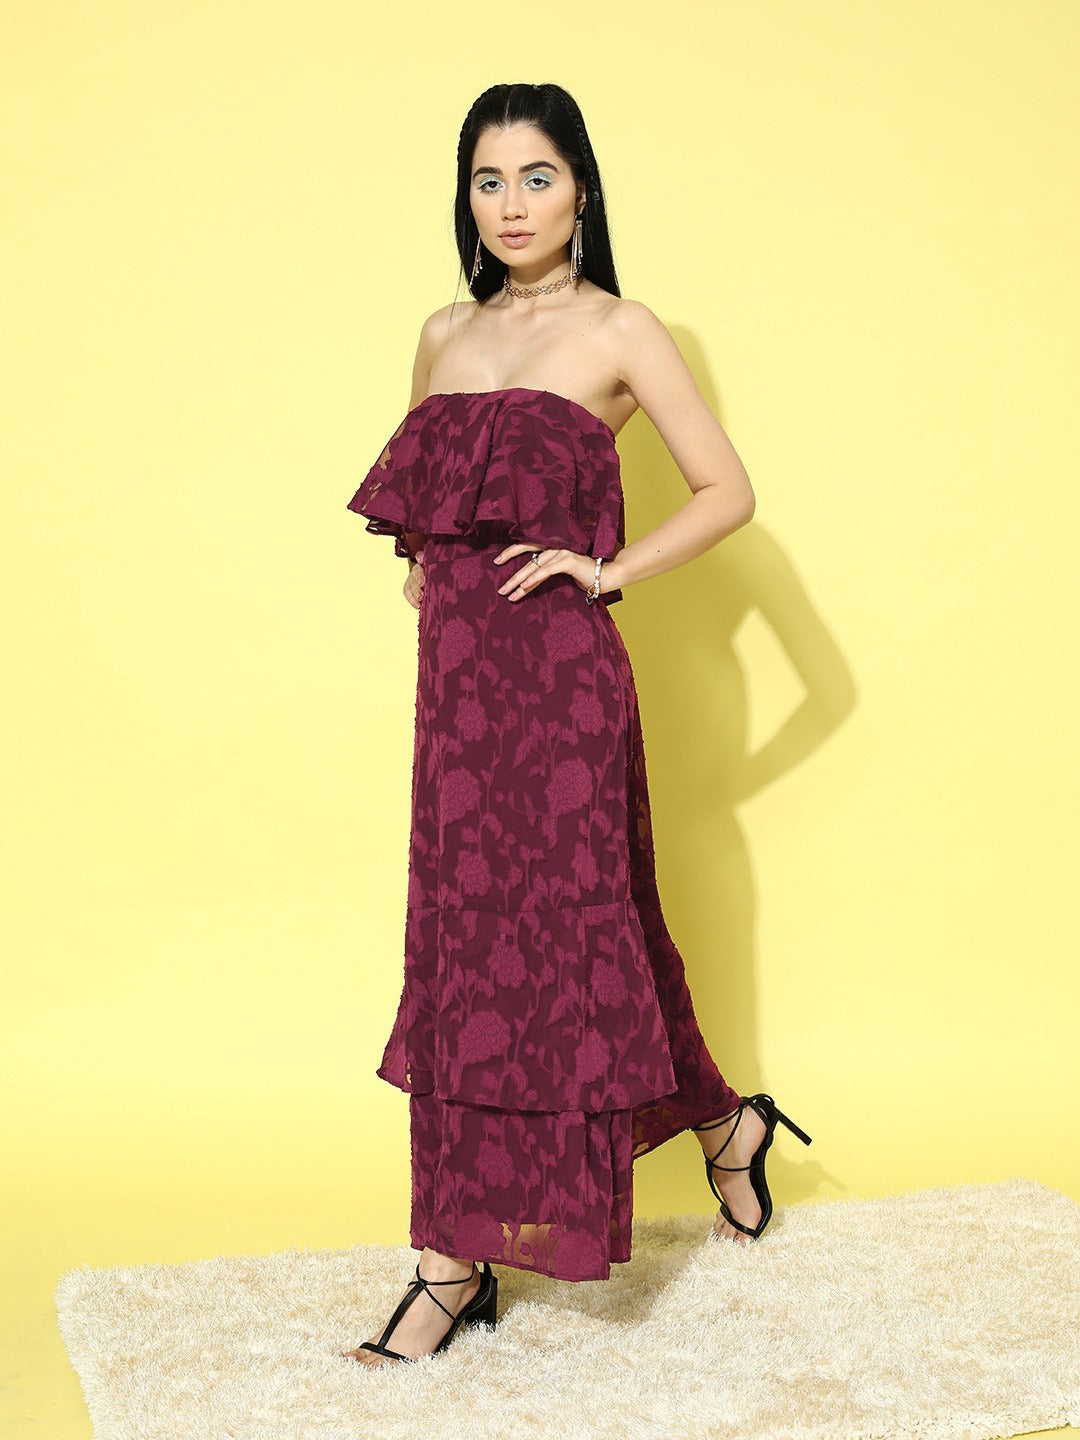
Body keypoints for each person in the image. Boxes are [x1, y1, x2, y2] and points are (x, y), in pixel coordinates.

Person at [340, 82, 811, 1369]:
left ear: (582, 191)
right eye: (489, 180)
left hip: (562, 692)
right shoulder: (442, 333)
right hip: (456, 699)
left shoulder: (620, 328)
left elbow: (726, 490)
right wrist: (426, 574)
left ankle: (471, 1255)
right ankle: (468, 1251)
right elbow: (425, 506)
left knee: (577, 946)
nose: (512, 205)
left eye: (537, 177)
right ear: (466, 196)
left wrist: (606, 571)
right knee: (461, 952)